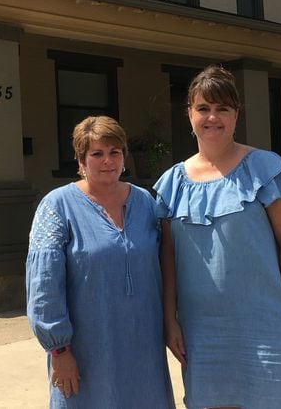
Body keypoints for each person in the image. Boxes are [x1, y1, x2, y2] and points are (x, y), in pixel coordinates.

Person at [154, 65, 281, 408]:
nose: (212, 117)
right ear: (189, 114)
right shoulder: (172, 183)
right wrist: (170, 319)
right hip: (202, 331)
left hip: (267, 323)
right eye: (203, 108)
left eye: (222, 108)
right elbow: (167, 258)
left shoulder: (266, 169)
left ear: (236, 115)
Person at [26, 116, 175, 408]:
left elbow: (167, 262)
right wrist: (59, 350)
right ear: (81, 160)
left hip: (142, 346)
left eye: (114, 152)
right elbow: (43, 285)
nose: (107, 161)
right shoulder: (57, 207)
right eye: (97, 154)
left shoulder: (145, 202)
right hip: (86, 350)